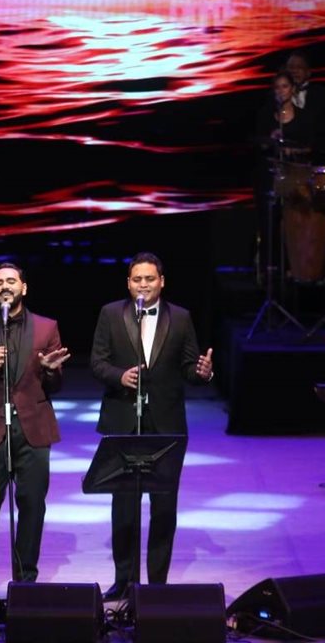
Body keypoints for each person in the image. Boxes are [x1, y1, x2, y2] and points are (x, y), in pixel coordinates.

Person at [89, 253, 213, 598]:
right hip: (123, 423)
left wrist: (203, 373)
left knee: (164, 506)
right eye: (137, 279)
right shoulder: (110, 314)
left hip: (166, 425)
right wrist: (119, 376)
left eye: (150, 279)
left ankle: (157, 585)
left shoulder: (181, 318)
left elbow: (188, 367)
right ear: (128, 283)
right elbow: (97, 362)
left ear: (162, 281)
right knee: (124, 507)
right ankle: (124, 581)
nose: (143, 285)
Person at [0, 263, 68, 585]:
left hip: (34, 429)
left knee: (32, 503)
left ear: (24, 287)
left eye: (11, 281)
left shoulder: (47, 327)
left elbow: (56, 385)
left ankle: (26, 580)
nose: (5, 286)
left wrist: (51, 371)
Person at [284, 51, 325, 151]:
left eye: (299, 67)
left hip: (317, 155)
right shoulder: (276, 96)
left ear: (308, 72)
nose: (294, 71)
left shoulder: (323, 95)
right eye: (291, 67)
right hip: (286, 155)